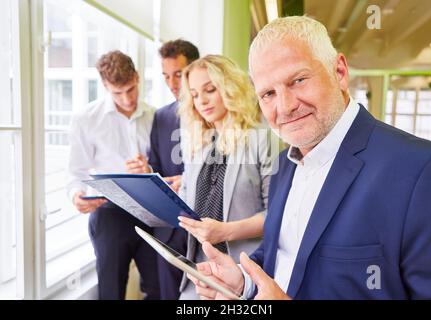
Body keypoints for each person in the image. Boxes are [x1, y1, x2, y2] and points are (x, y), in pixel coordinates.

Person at [189, 16, 431, 300]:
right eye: (268, 94)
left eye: (298, 80)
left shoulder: (426, 171)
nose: (285, 107)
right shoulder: (284, 167)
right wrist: (243, 284)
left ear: (339, 72)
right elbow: (282, 258)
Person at [176, 54, 280, 299]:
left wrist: (225, 231)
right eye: (194, 94)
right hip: (199, 274)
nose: (201, 100)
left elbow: (277, 216)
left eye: (209, 90)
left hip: (243, 276)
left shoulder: (263, 140)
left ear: (229, 88)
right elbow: (185, 205)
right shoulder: (198, 145)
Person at [67, 50, 159, 300]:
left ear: (137, 77)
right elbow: (76, 172)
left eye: (131, 89)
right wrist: (77, 195)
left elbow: (167, 170)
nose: (127, 99)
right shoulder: (86, 119)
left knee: (161, 288)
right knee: (111, 292)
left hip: (151, 212)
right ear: (105, 86)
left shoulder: (156, 116)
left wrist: (149, 168)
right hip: (109, 215)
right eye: (118, 93)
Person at [126, 40, 199, 299]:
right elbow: (156, 167)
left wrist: (190, 180)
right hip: (169, 227)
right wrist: (147, 169)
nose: (172, 83)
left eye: (178, 74)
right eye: (166, 76)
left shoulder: (213, 112)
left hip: (205, 227)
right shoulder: (163, 116)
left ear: (195, 69)